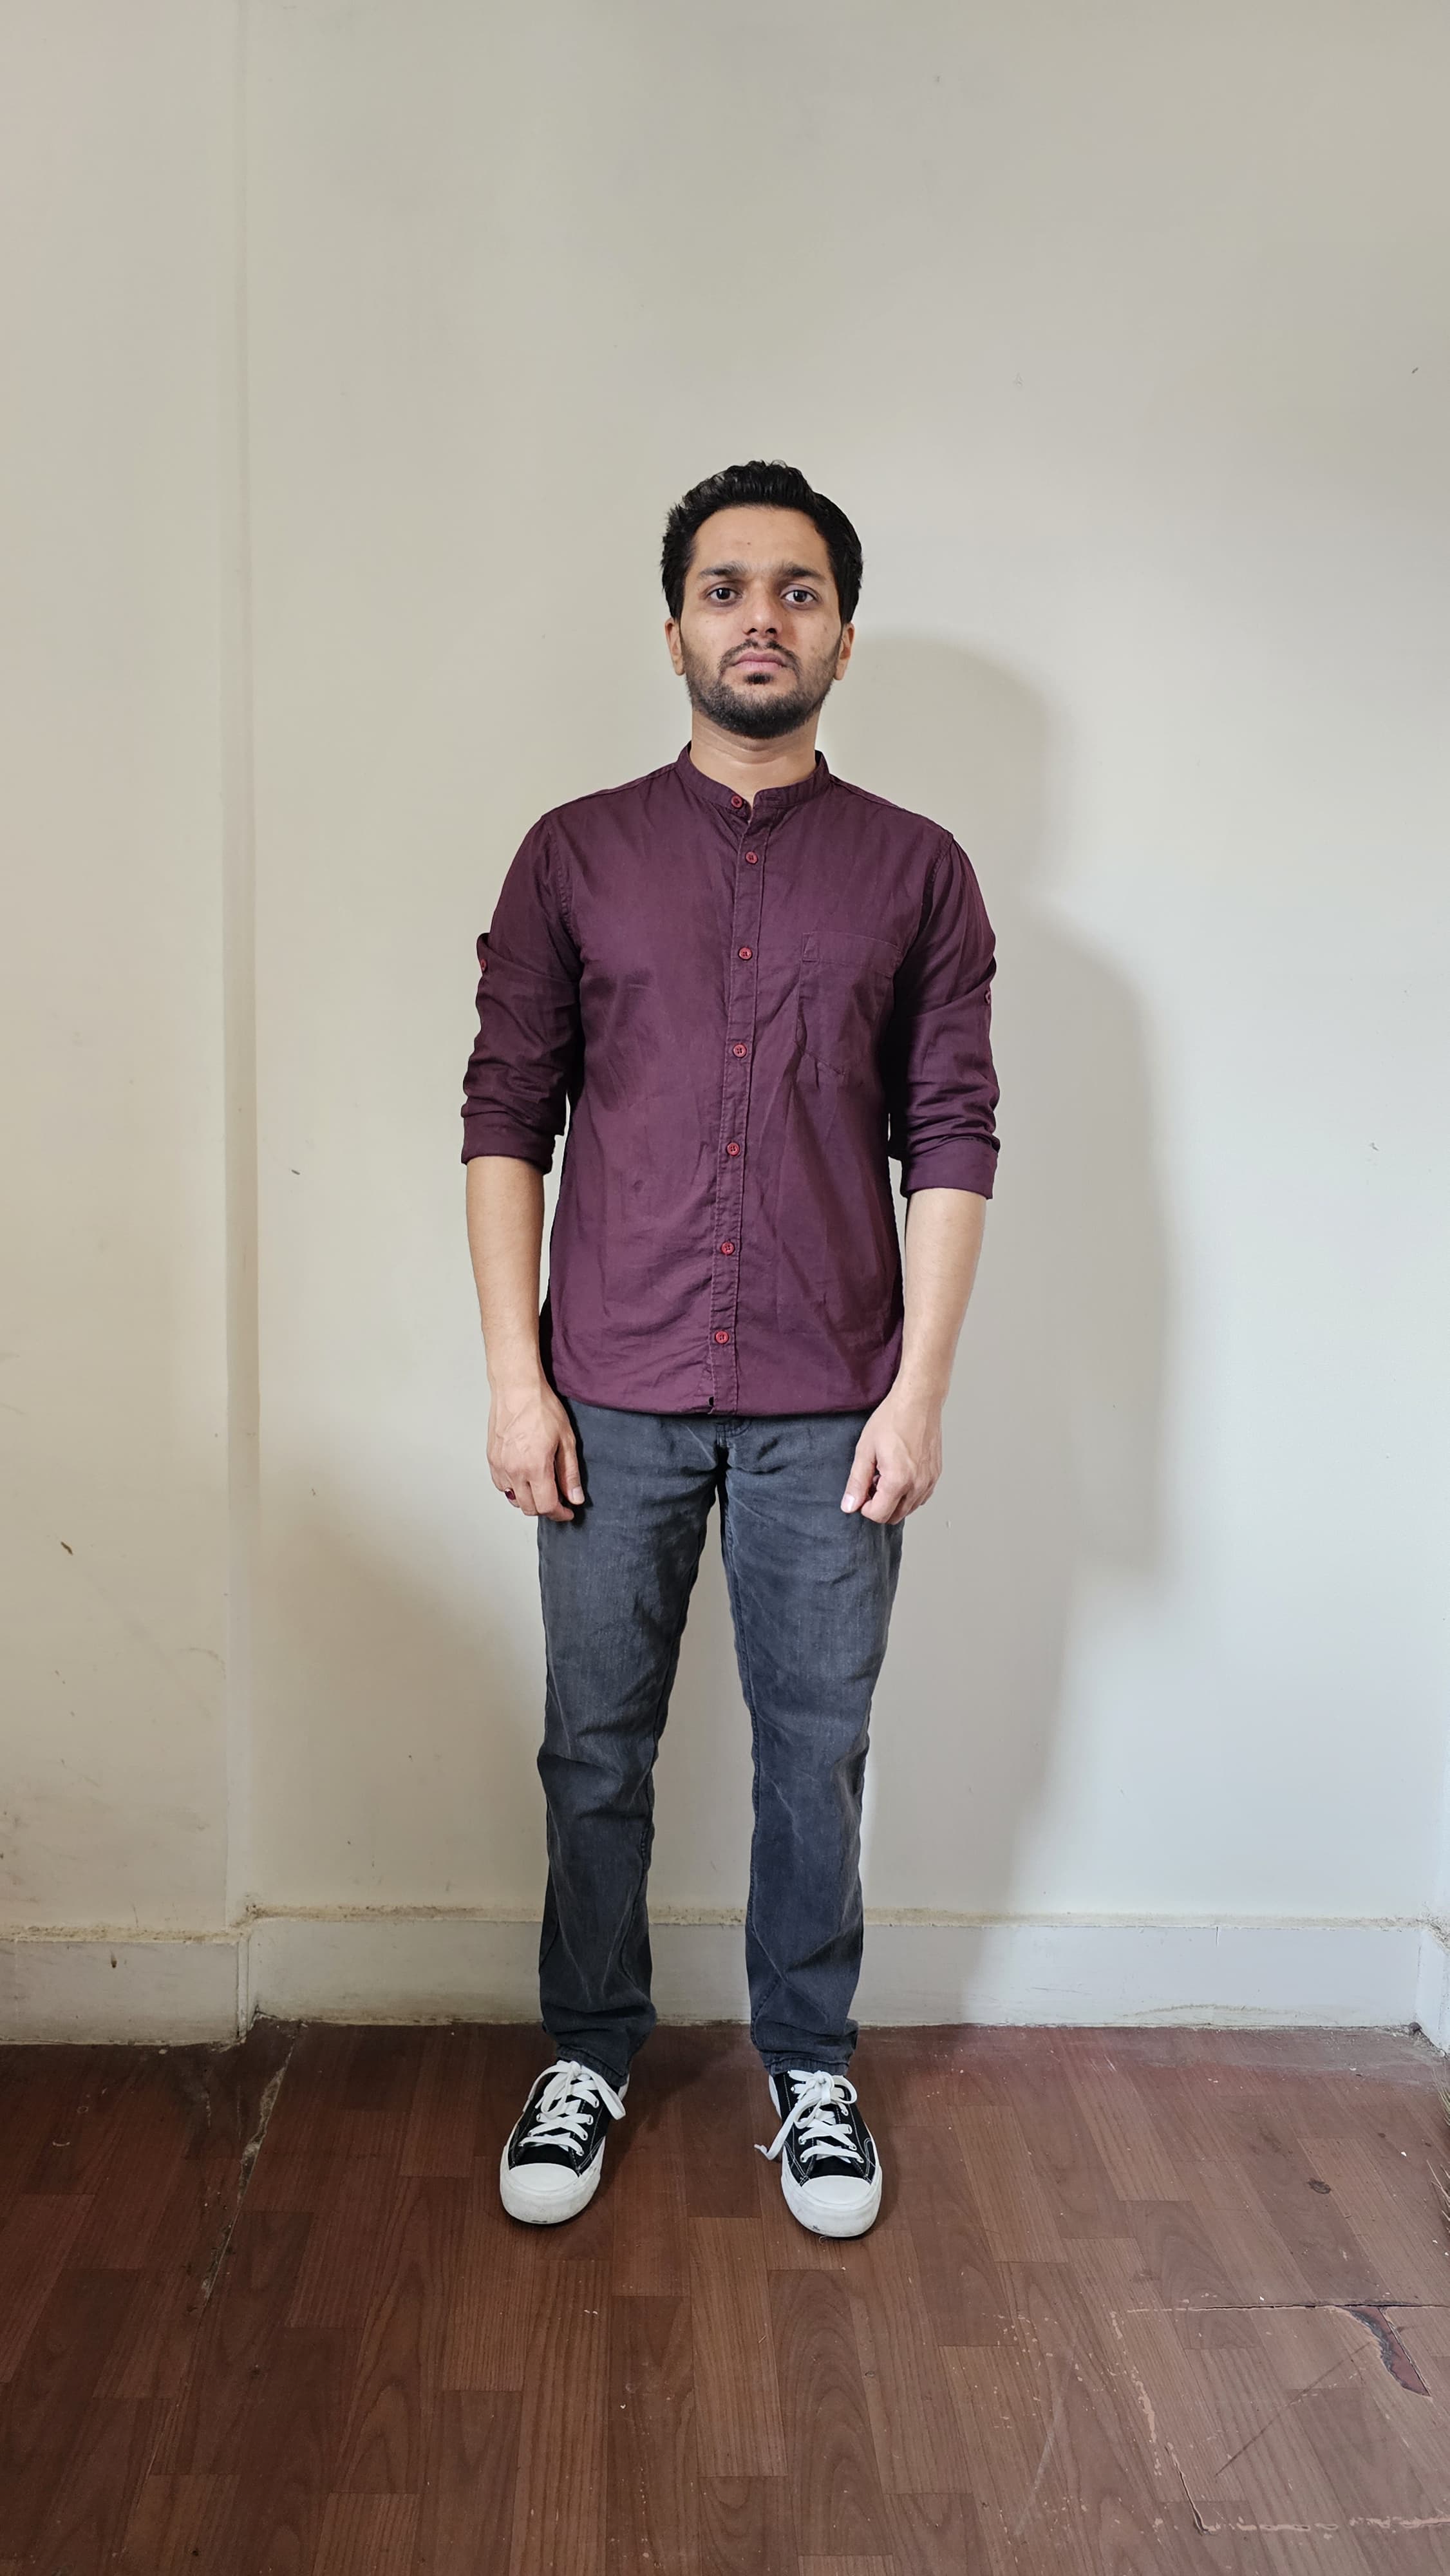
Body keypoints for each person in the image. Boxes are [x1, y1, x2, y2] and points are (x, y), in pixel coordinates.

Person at [462, 460, 999, 2238]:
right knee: (593, 1747)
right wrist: (518, 1379)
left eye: (796, 590)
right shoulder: (575, 855)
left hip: (831, 1400)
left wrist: (918, 1392)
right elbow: (504, 1117)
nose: (758, 617)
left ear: (842, 637)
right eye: (723, 588)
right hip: (606, 1390)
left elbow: (952, 1132)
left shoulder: (918, 871)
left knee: (813, 1750)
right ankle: (588, 2051)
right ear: (675, 628)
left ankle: (810, 2067)